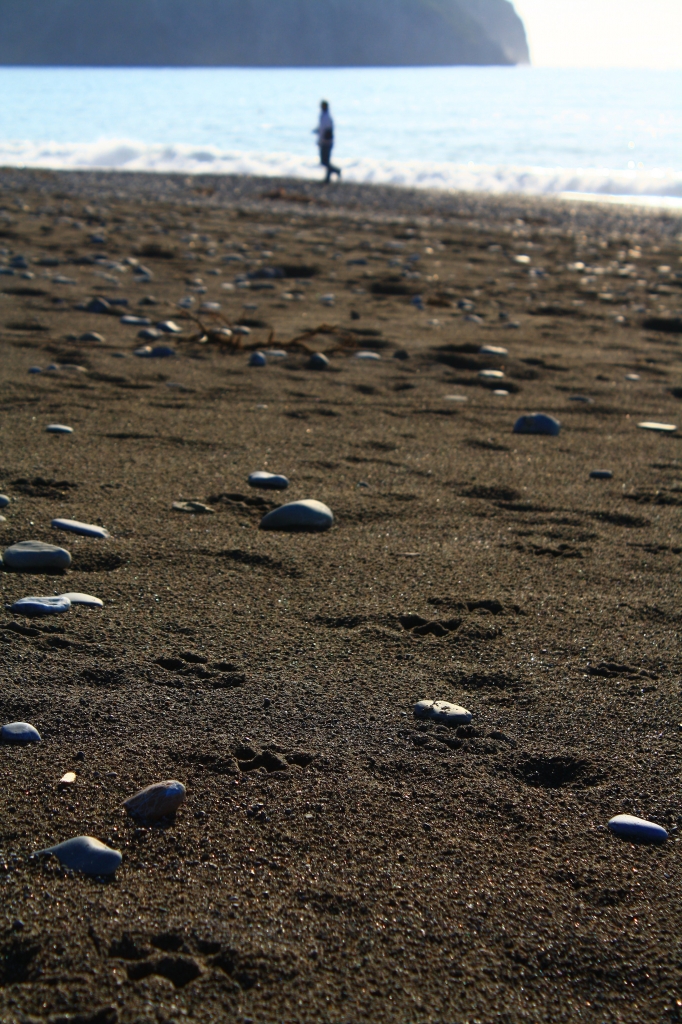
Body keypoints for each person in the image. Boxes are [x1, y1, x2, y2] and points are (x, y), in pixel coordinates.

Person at [313, 100, 341, 184]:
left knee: (324, 161)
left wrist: (320, 140)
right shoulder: (326, 116)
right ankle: (328, 177)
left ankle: (336, 171)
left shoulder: (325, 117)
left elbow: (323, 130)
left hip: (326, 141)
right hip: (328, 141)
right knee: (326, 161)